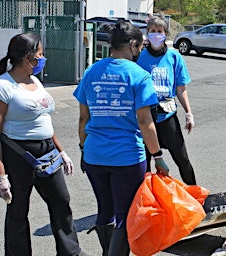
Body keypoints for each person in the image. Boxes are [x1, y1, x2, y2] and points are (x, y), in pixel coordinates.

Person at [73, 20, 169, 256]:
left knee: (105, 210)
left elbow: (83, 118)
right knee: (126, 215)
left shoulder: (92, 71)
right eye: (140, 46)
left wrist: (84, 149)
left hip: (94, 154)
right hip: (127, 157)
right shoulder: (139, 75)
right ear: (134, 45)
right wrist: (158, 156)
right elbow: (145, 122)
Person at [0, 32, 85, 255]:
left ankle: (70, 251)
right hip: (19, 155)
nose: (42, 59)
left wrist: (62, 152)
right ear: (27, 57)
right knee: (18, 210)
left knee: (61, 202)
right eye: (40, 55)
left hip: (47, 152)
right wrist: (0, 175)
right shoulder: (1, 88)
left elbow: (44, 119)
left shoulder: (35, 81)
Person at [136, 16, 197, 185]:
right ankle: (148, 202)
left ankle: (195, 196)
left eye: (160, 31)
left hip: (167, 115)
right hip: (145, 115)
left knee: (182, 159)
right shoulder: (139, 57)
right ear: (147, 34)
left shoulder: (173, 57)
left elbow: (180, 88)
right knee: (144, 164)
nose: (156, 35)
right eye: (152, 31)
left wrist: (188, 113)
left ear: (166, 34)